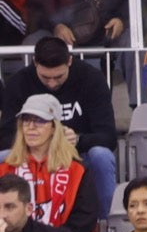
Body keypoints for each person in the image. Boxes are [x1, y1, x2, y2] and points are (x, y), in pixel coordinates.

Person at [0, 38, 117, 220]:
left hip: (76, 154)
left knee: (101, 156)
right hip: (30, 155)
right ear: (35, 63)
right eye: (45, 77)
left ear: (69, 61)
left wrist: (78, 139)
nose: (52, 84)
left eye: (59, 77)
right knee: (2, 157)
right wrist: (36, 140)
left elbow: (109, 137)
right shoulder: (18, 83)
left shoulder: (91, 78)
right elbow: (6, 136)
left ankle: (107, 224)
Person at [0, 95, 96, 232]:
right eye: (26, 120)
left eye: (39, 121)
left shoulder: (77, 170)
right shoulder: (5, 169)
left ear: (54, 128)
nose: (31, 127)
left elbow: (84, 219)